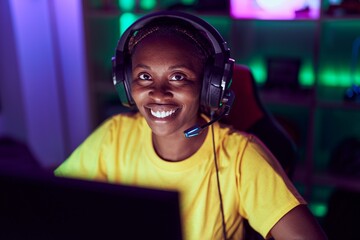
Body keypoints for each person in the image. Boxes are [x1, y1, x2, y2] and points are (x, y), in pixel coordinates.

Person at [54, 11, 327, 240]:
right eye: (144, 76)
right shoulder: (115, 136)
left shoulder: (241, 156)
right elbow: (53, 203)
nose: (158, 93)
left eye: (178, 76)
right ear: (126, 84)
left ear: (210, 87)